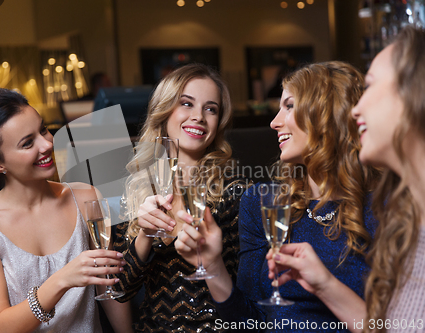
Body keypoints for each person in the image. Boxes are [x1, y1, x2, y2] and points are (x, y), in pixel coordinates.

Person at [175, 61, 381, 332]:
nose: (274, 122)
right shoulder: (262, 202)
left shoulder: (386, 208)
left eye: (290, 106)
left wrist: (325, 286)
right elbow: (250, 324)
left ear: (327, 113)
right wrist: (213, 266)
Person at [262, 26, 425, 333]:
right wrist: (324, 285)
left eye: (371, 88)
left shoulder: (392, 211)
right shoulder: (411, 216)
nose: (356, 109)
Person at [0, 88, 132, 333]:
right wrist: (61, 280)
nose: (47, 144)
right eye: (28, 143)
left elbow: (109, 286)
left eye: (43, 129)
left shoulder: (86, 198)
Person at [112, 63, 249, 332]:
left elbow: (245, 294)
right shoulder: (134, 189)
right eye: (186, 104)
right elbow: (118, 291)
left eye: (211, 109)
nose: (199, 116)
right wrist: (145, 234)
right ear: (164, 111)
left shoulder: (236, 191)